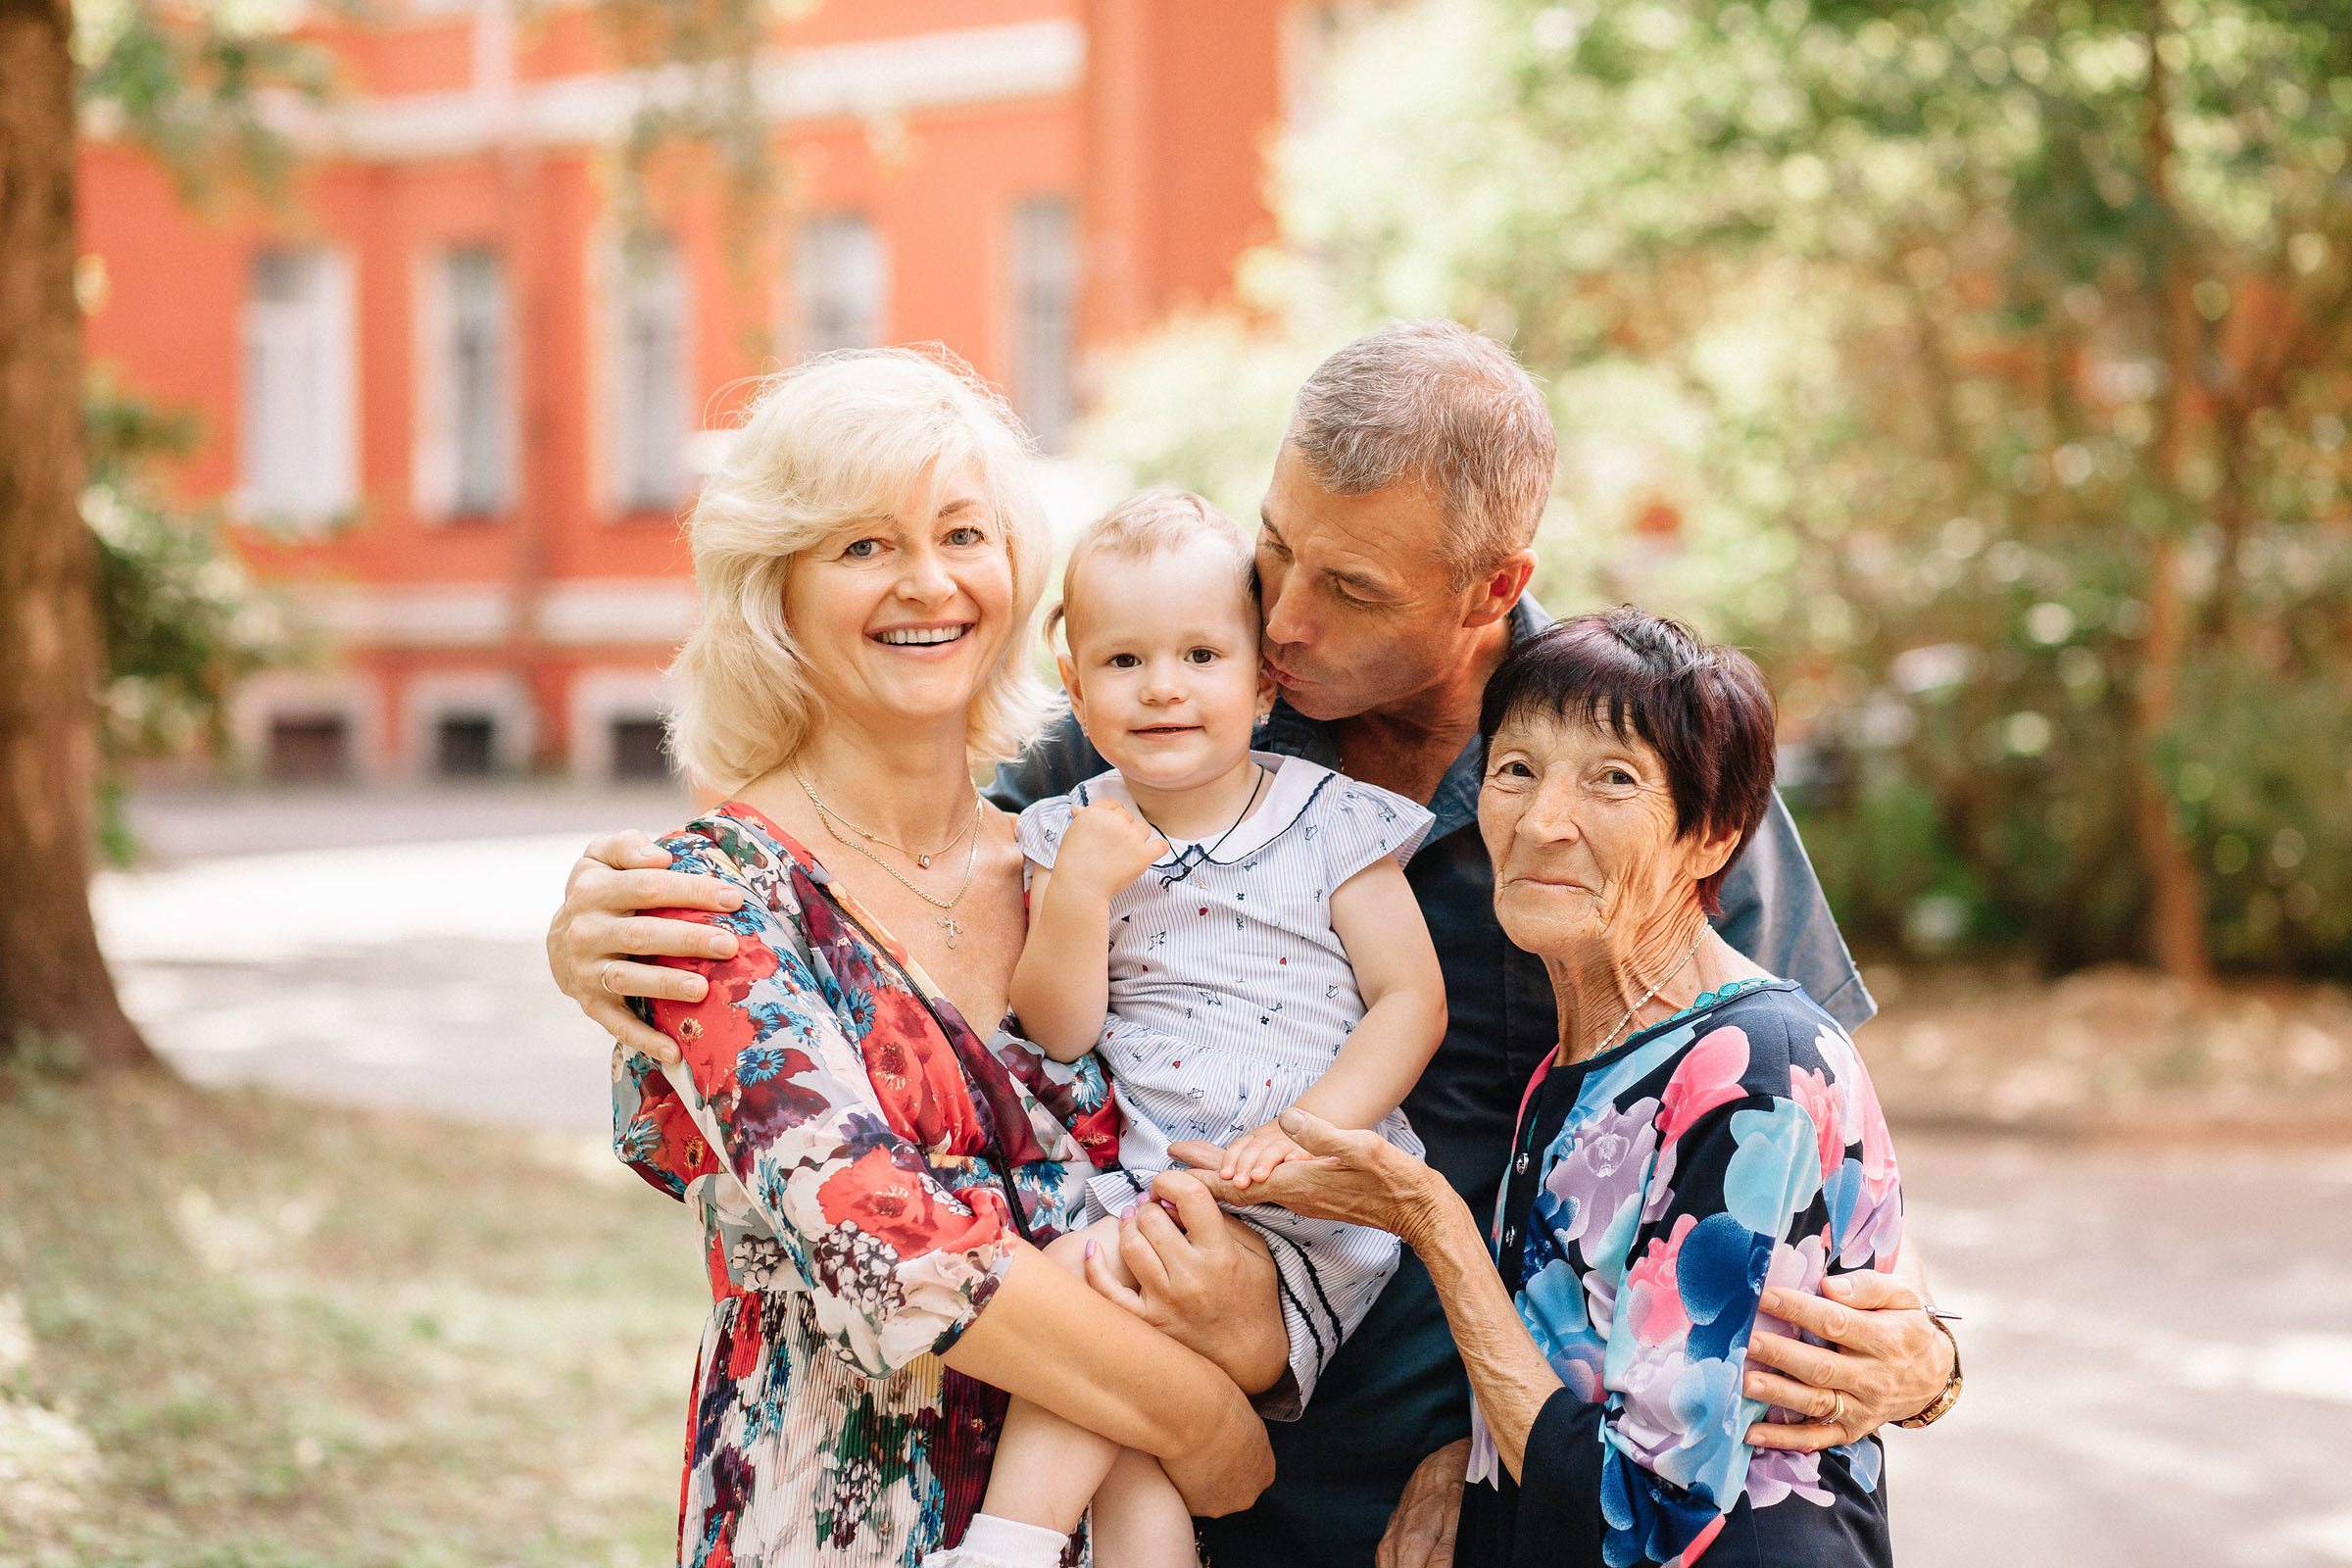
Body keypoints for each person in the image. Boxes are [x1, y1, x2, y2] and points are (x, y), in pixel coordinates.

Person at [551, 321, 1962, 1568]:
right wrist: (604, 947)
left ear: (1489, 587)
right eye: (1276, 547)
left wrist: (1930, 1351)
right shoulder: (1181, 710)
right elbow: (887, 881)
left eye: (1349, 588)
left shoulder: (1632, 768)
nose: (1282, 620)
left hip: (1485, 1488)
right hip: (1180, 1471)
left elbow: (1794, 1135)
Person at [604, 349, 1277, 1567]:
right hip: (835, 1523)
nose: (929, 581)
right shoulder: (715, 897)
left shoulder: (1076, 865)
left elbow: (1210, 1163)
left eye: (963, 534)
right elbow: (894, 1250)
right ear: (775, 591)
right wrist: (1206, 1421)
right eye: (863, 545)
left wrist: (1255, 1335)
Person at [1175, 609, 1913, 1567]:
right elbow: (1588, 1379)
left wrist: (1430, 1219)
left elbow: (1645, 1515)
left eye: (1613, 780)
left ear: (1713, 836)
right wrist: (1466, 1459)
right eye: (1516, 769)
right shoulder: (1589, 1060)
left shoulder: (1752, 1070)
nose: (1541, 821)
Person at [935, 491, 1448, 1568]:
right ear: (1077, 687)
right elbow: (1060, 1030)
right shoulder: (1069, 831)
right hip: (1158, 1182)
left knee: (1080, 1297)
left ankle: (1006, 1547)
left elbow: (1411, 999)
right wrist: (1079, 894)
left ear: (1263, 683)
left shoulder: (1329, 820)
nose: (1163, 685)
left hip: (1309, 1201)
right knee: (1128, 1437)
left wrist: (1306, 1134)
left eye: (1202, 655)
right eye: (1124, 661)